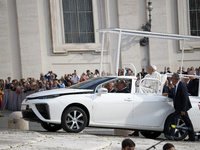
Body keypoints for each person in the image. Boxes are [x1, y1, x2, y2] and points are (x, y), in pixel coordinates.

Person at [166, 73, 195, 141]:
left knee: (173, 118)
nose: (171, 80)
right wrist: (168, 94)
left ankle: (172, 134)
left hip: (181, 108)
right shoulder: (176, 85)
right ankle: (192, 137)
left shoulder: (181, 85)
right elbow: (176, 95)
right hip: (179, 107)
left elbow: (185, 98)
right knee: (187, 122)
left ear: (174, 79)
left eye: (172, 78)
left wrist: (183, 110)